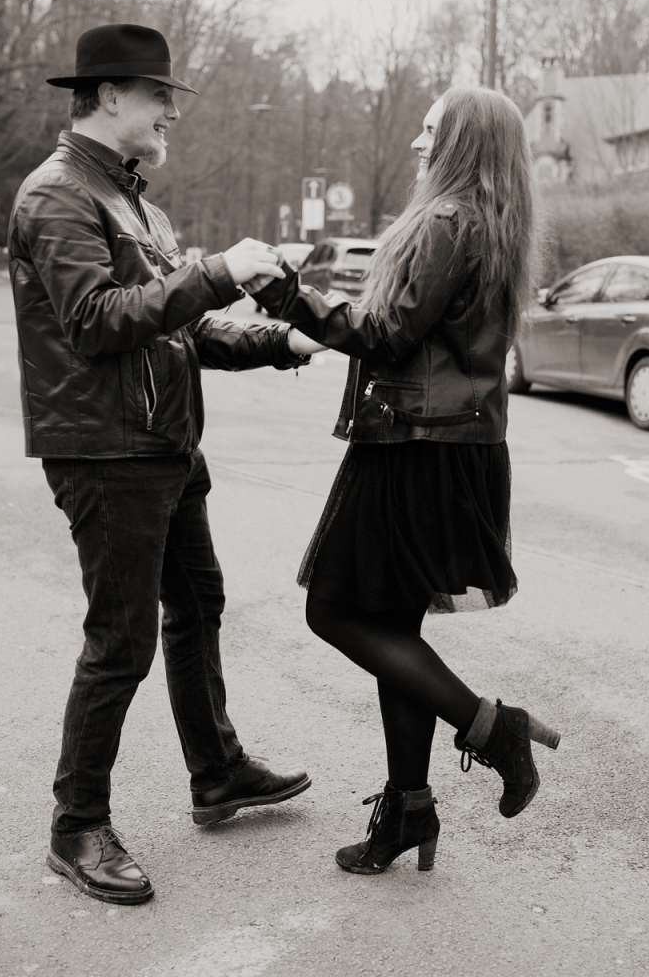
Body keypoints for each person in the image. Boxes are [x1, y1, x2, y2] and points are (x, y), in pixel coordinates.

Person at [8, 23, 319, 905]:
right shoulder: (57, 194)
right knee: (121, 642)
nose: (170, 115)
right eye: (159, 99)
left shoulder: (139, 204)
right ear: (110, 97)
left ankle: (217, 771)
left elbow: (177, 325)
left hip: (166, 445)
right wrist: (218, 271)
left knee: (198, 605)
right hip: (107, 450)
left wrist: (279, 339)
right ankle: (76, 828)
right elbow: (100, 320)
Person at [251, 87, 560, 877]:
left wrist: (288, 293)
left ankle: (493, 727)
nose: (419, 144)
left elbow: (387, 332)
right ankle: (409, 808)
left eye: (431, 130)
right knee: (393, 630)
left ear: (460, 141)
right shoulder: (491, 225)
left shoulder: (449, 222)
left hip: (416, 445)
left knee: (335, 610)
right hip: (450, 444)